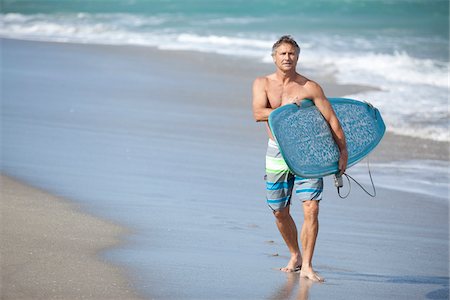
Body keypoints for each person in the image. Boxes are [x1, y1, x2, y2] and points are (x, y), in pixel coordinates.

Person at [252, 35, 348, 282]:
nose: (287, 57)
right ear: (274, 57)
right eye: (282, 53)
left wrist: (343, 152)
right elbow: (258, 113)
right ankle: (295, 254)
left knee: (312, 208)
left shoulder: (310, 88)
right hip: (277, 150)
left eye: (292, 53)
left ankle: (307, 264)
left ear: (298, 57)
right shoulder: (262, 83)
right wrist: (289, 111)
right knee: (279, 211)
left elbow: (332, 120)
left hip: (308, 152)